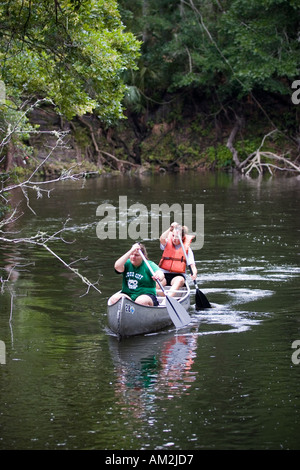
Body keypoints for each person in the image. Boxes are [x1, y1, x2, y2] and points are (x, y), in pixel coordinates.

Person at [158, 222, 197, 296]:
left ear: (182, 237)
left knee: (179, 280)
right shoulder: (166, 244)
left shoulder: (187, 250)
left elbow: (192, 266)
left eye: (177, 237)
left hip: (177, 276)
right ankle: (167, 298)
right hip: (164, 275)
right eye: (173, 236)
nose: (174, 239)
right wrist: (170, 229)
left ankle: (167, 301)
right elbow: (162, 238)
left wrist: (194, 273)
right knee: (157, 283)